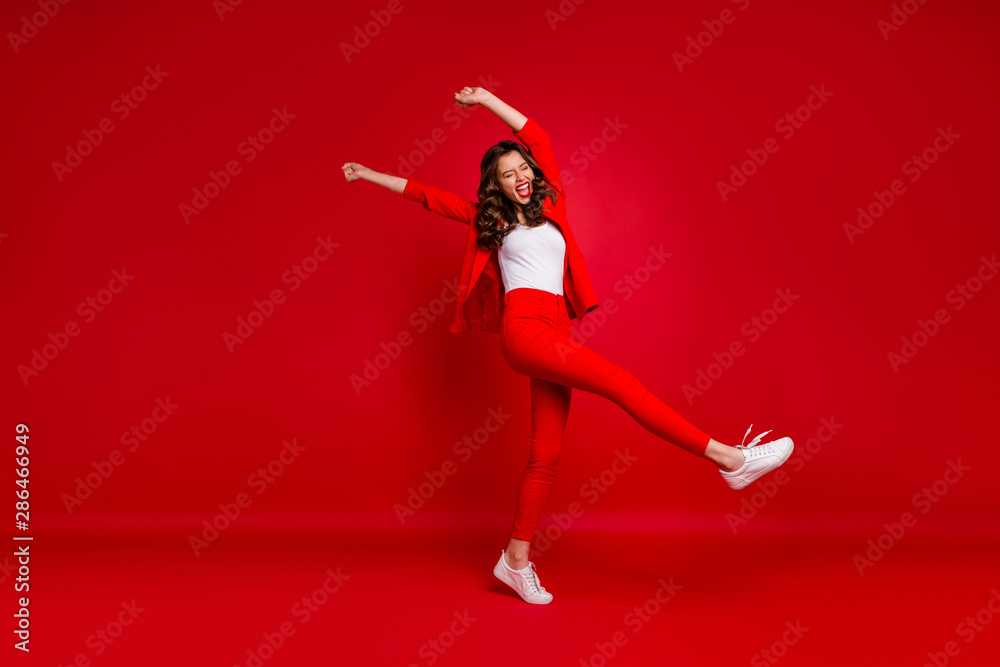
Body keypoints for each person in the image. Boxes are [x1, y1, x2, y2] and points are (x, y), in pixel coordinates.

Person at [341, 86, 794, 605]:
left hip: (556, 330)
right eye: (508, 175)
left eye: (523, 169)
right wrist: (368, 174)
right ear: (497, 186)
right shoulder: (488, 220)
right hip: (525, 330)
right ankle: (730, 459)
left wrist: (486, 98)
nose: (521, 178)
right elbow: (425, 195)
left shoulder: (552, 201)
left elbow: (537, 135)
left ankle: (514, 560)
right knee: (622, 383)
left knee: (545, 454)